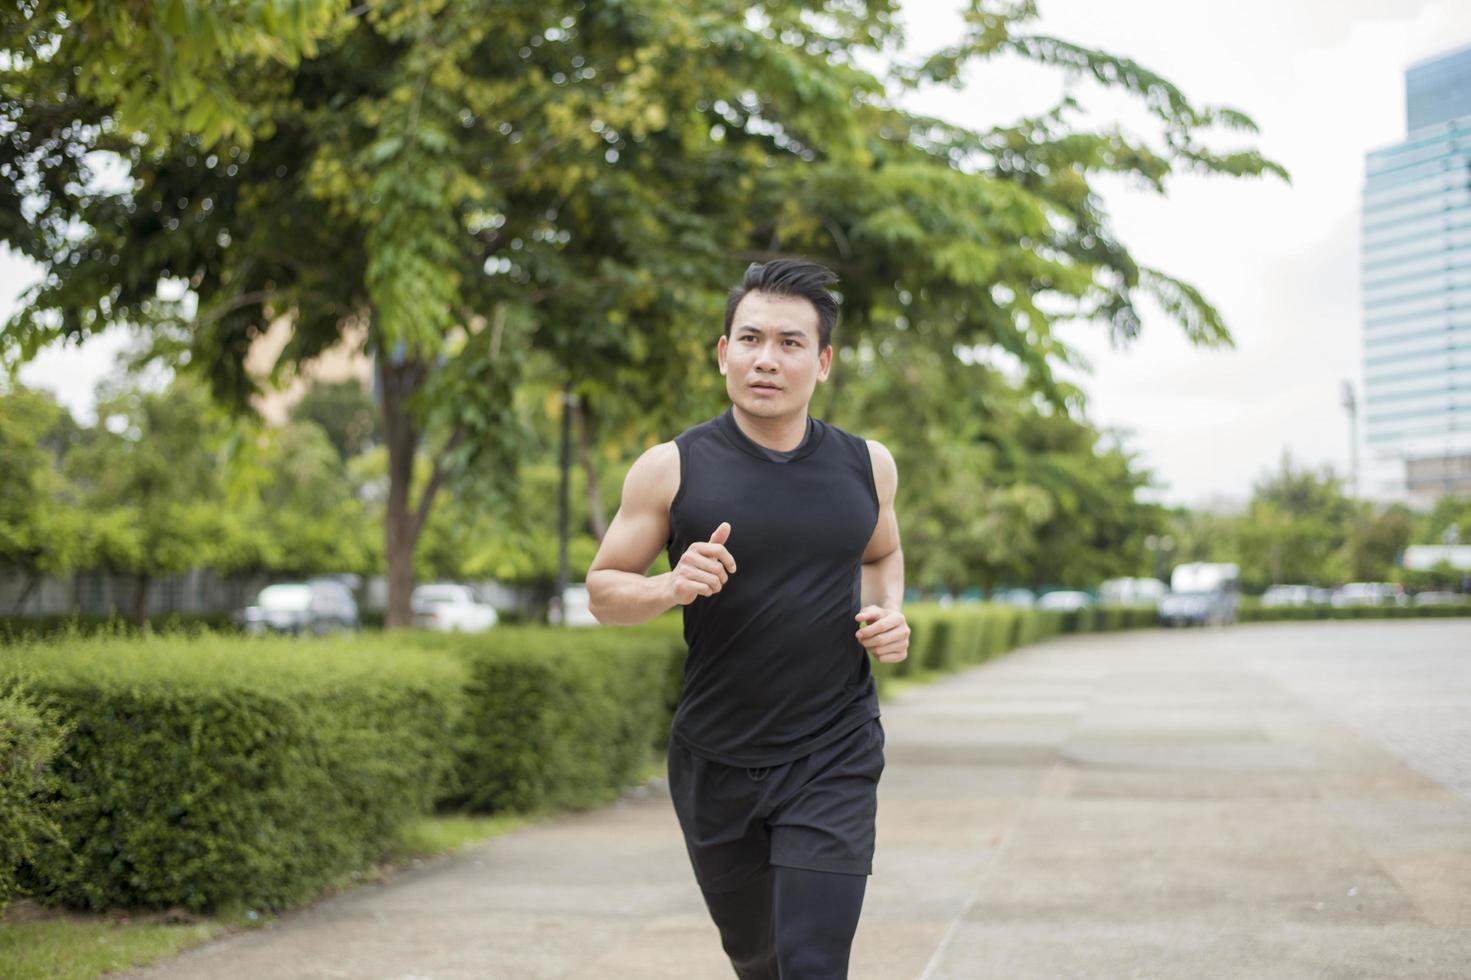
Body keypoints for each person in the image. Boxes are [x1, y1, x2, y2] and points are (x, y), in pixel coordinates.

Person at [586, 257, 909, 979]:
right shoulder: (670, 467)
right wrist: (670, 585)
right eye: (750, 338)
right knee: (759, 961)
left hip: (834, 748)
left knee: (812, 963)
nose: (767, 359)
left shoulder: (867, 466)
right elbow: (604, 588)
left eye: (790, 343)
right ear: (722, 352)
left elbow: (881, 555)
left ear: (822, 362)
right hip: (715, 758)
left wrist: (888, 612)